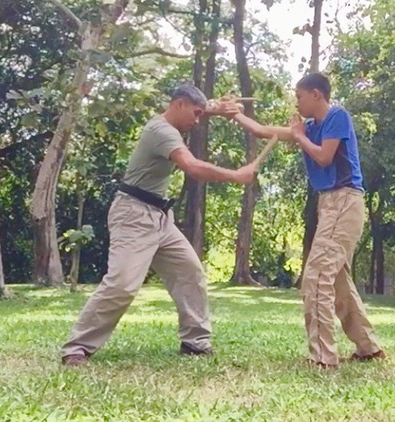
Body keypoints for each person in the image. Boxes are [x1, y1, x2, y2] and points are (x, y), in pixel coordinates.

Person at [60, 83, 257, 366]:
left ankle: (195, 342)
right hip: (134, 216)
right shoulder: (162, 132)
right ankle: (76, 348)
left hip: (160, 218)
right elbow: (191, 166)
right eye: (196, 114)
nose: (198, 120)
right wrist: (236, 176)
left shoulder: (175, 118)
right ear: (178, 105)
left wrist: (219, 108)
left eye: (202, 114)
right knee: (122, 285)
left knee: (189, 272)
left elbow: (201, 106)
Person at [231, 72, 385, 369]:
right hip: (330, 204)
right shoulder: (309, 127)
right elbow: (263, 130)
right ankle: (368, 347)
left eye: (299, 96)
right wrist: (234, 114)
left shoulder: (337, 117)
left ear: (317, 94)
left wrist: (300, 136)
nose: (296, 102)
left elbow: (325, 158)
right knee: (337, 280)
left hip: (344, 200)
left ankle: (324, 358)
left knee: (316, 276)